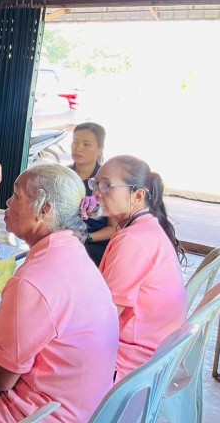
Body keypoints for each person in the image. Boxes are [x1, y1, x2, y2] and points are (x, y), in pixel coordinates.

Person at [0, 164, 118, 423]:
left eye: (16, 195)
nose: (8, 202)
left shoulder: (32, 281)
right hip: (83, 410)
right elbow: (8, 354)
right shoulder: (74, 254)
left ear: (44, 210)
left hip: (37, 415)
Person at [93, 155, 187, 381]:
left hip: (130, 365)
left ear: (137, 196)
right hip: (152, 356)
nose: (96, 192)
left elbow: (105, 317)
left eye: (106, 186)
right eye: (96, 184)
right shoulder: (147, 227)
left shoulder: (133, 240)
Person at [69, 122, 115, 266]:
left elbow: (115, 227)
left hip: (93, 247)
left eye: (86, 144)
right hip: (63, 241)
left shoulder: (107, 182)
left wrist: (85, 237)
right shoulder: (63, 176)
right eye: (75, 142)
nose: (78, 148)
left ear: (100, 149)